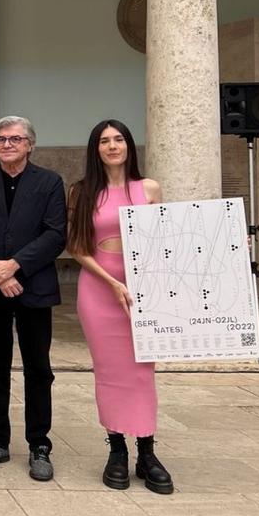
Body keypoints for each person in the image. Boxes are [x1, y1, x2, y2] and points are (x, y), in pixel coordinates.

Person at [0, 116, 67, 481]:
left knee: (38, 368)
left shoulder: (49, 182)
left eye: (15, 139)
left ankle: (39, 444)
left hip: (33, 287)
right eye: (1, 140)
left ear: (30, 144)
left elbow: (55, 234)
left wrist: (15, 267)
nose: (7, 145)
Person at [67, 119, 171, 494]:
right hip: (100, 290)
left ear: (129, 145)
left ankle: (147, 451)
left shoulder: (149, 188)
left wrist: (225, 242)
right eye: (105, 141)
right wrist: (112, 283)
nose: (113, 146)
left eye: (119, 139)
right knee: (110, 371)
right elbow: (76, 247)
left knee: (143, 370)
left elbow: (170, 238)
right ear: (95, 149)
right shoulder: (81, 192)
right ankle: (116, 449)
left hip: (145, 290)